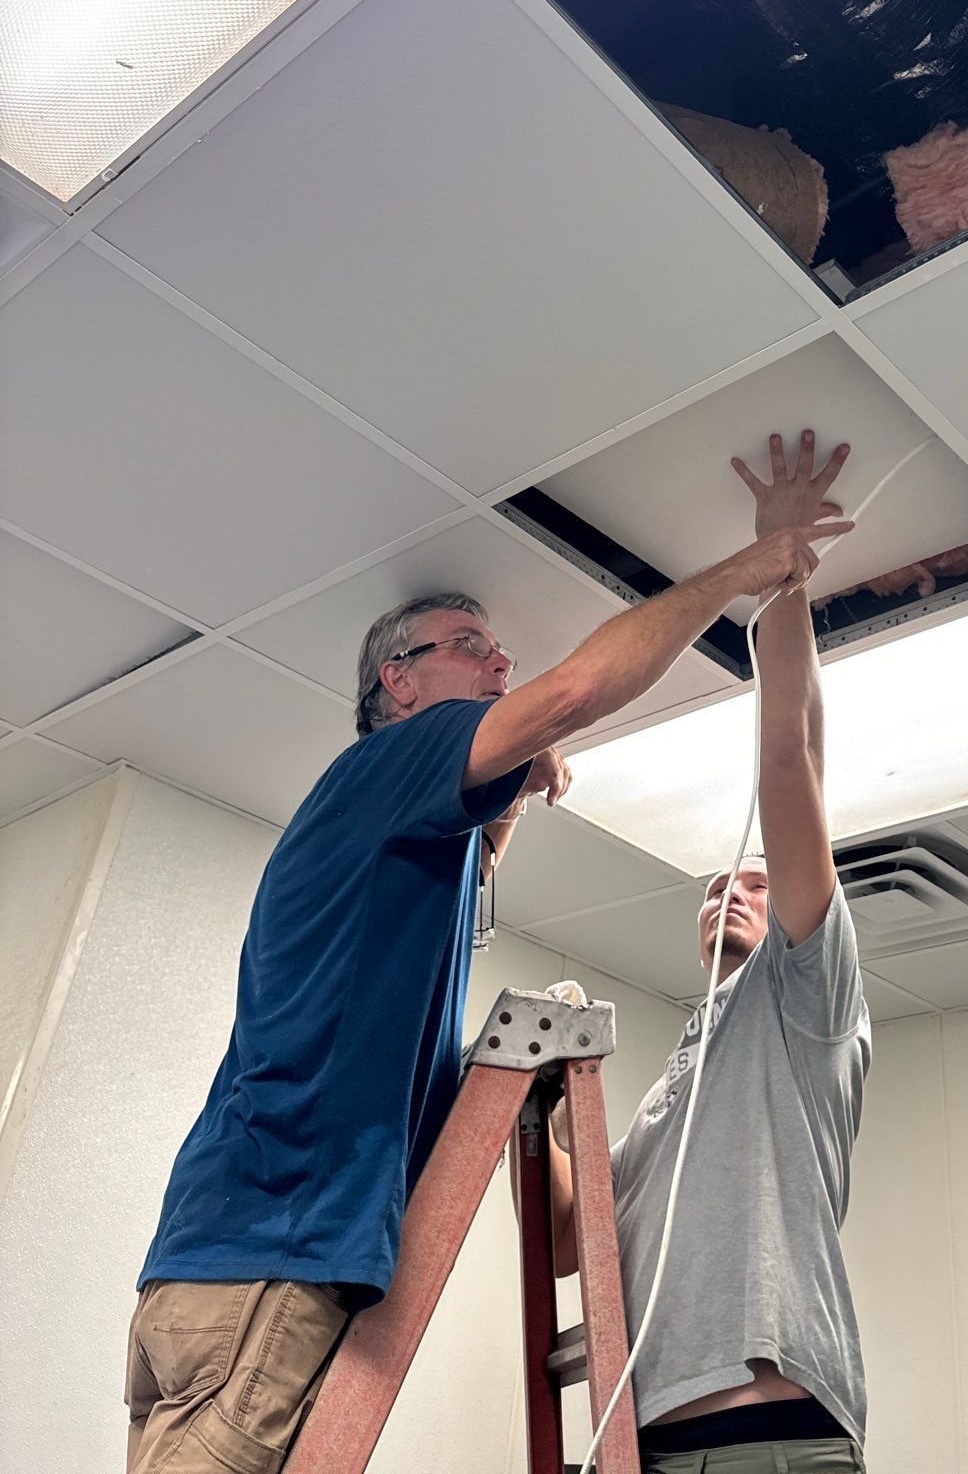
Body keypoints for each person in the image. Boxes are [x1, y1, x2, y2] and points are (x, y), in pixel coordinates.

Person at [124, 510, 849, 1474]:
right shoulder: (388, 761)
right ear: (398, 681)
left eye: (502, 655)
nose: (499, 667)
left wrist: (503, 796)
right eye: (469, 649)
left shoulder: (394, 837)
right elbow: (576, 692)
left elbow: (450, 889)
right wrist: (752, 569)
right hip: (272, 1259)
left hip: (228, 1264)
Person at [548, 431, 872, 1474]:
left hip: (767, 1436)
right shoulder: (669, 1095)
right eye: (715, 886)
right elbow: (570, 1243)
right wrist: (546, 1102)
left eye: (754, 879)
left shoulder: (809, 1004)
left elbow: (793, 763)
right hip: (643, 1444)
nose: (732, 884)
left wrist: (778, 579)